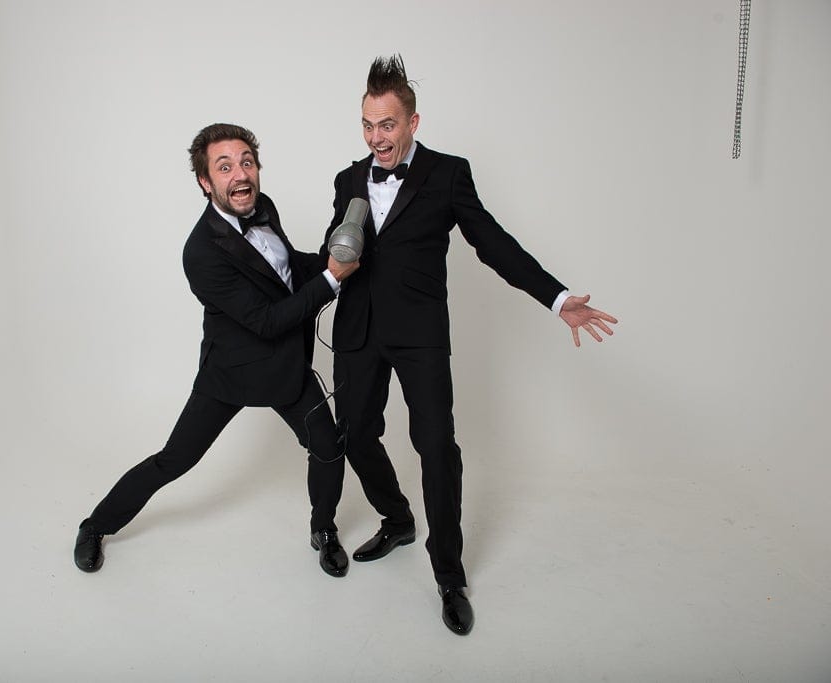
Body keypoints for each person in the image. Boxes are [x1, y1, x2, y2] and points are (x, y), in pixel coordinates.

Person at [321, 56, 618, 635]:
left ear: (412, 122)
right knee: (353, 434)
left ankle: (449, 575)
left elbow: (492, 243)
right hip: (358, 331)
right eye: (367, 125)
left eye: (387, 124)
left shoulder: (448, 174)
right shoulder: (348, 180)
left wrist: (557, 298)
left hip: (420, 337)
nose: (376, 137)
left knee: (436, 448)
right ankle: (398, 519)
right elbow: (335, 252)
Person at [74, 123, 359, 579]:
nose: (240, 174)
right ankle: (95, 525)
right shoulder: (201, 252)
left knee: (327, 446)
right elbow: (266, 320)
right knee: (175, 460)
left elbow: (285, 269)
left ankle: (323, 529)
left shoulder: (264, 208)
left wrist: (331, 259)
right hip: (231, 371)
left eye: (247, 162)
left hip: (285, 366)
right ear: (205, 182)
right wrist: (331, 279)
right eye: (224, 167)